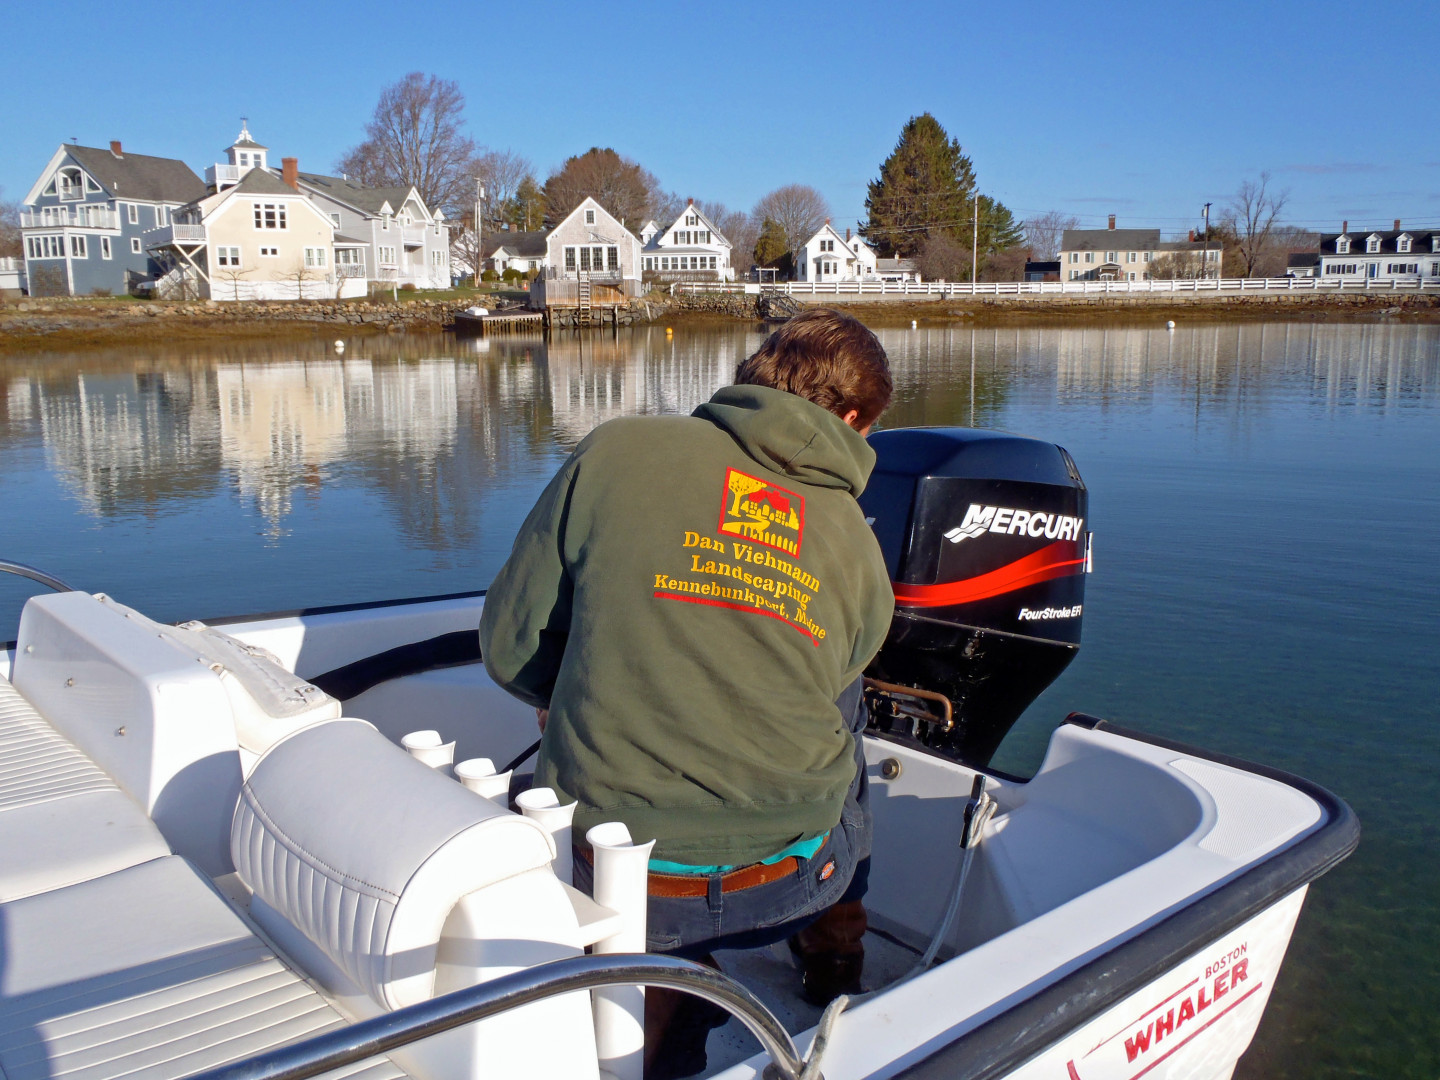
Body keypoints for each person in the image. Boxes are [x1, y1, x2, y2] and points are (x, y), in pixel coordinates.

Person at [480, 308, 895, 1078]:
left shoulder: (619, 450)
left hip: (612, 868)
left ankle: (664, 1027)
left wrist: (568, 692)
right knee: (847, 719)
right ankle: (834, 957)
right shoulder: (858, 542)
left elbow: (510, 649)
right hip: (788, 877)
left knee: (662, 842)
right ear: (848, 420)